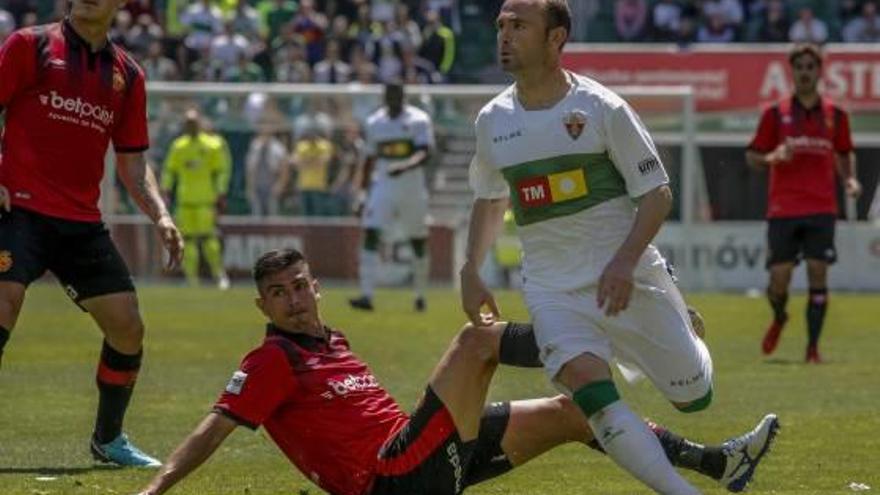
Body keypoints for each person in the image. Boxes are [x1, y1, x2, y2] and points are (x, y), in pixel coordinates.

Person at [136, 248, 778, 495]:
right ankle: (619, 336)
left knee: (574, 413)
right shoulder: (273, 359)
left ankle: (719, 465)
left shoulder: (333, 341)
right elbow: (215, 427)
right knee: (477, 343)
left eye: (301, 285)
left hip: (433, 460)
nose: (295, 298)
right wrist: (156, 487)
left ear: (315, 287)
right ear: (263, 306)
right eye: (279, 293)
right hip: (391, 479)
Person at [460, 1, 775, 493]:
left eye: (519, 26)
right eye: (501, 25)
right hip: (551, 288)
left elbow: (657, 193)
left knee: (695, 395)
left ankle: (686, 329)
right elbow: (490, 196)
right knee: (592, 396)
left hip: (627, 277)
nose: (504, 35)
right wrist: (470, 269)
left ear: (556, 38)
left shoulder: (602, 108)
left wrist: (626, 262)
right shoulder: (492, 120)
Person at [0, 0, 184, 467]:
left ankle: (108, 440)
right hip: (17, 208)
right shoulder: (31, 45)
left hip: (80, 221)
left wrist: (160, 215)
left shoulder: (129, 75)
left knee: (128, 327)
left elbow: (133, 161)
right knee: (3, 304)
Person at [746, 44, 861, 363]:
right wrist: (772, 157)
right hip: (783, 209)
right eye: (800, 67)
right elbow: (752, 156)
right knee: (778, 280)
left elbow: (844, 151)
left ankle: (812, 349)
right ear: (792, 71)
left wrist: (849, 179)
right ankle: (780, 316)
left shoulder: (835, 115)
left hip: (822, 208)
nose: (806, 71)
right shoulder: (775, 113)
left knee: (817, 272)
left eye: (811, 66)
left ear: (819, 72)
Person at [349, 82, 434, 312]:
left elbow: (425, 152)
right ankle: (366, 295)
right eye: (389, 95)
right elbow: (368, 159)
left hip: (412, 188)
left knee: (417, 240)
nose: (393, 99)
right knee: (370, 231)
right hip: (383, 185)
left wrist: (405, 166)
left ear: (404, 96)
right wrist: (362, 193)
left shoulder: (418, 119)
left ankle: (420, 294)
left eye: (397, 95)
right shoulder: (375, 122)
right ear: (385, 97)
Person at [162, 108, 231, 290]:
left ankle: (219, 275)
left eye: (193, 122)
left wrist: (221, 191)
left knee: (209, 239)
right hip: (185, 202)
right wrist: (166, 190)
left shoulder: (212, 145)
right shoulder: (178, 146)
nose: (191, 126)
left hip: (205, 201)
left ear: (199, 124)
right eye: (188, 123)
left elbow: (221, 171)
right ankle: (192, 280)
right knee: (188, 240)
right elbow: (170, 170)